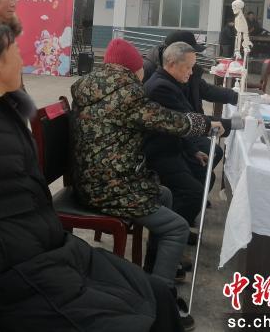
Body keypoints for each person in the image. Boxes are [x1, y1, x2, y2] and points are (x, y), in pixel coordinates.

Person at [0, 21, 184, 332]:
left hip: (52, 245)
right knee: (136, 318)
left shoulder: (5, 109)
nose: (23, 59)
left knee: (158, 294)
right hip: (12, 268)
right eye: (15, 50)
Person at [70, 38, 223, 322]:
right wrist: (206, 124)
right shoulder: (126, 93)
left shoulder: (92, 87)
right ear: (132, 69)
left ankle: (155, 273)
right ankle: (161, 300)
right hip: (109, 186)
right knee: (177, 227)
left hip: (94, 179)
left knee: (165, 194)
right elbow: (168, 120)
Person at [143, 42, 231, 227]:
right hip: (159, 153)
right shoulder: (161, 87)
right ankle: (169, 231)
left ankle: (183, 221)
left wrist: (193, 151)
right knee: (194, 192)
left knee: (206, 175)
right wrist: (232, 124)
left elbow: (182, 125)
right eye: (188, 67)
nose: (191, 72)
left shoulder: (171, 82)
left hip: (174, 146)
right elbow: (184, 121)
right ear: (172, 63)